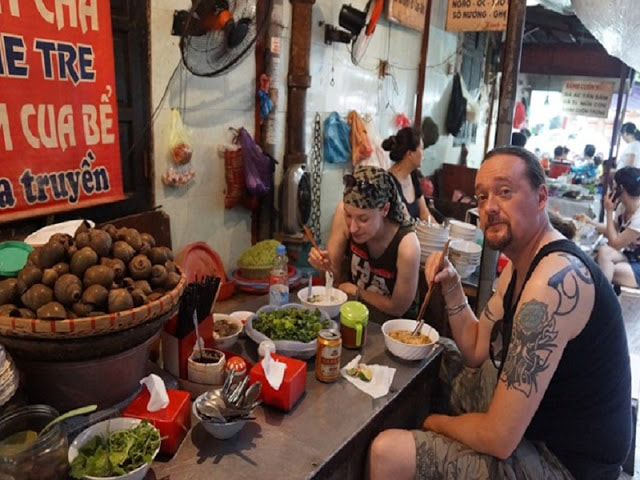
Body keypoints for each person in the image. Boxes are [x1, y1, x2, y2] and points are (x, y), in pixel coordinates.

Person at [368, 146, 631, 480]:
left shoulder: (551, 282)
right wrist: (451, 286)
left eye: (505, 192)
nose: (489, 207)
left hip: (566, 466)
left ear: (541, 198)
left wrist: (436, 424)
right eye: (481, 196)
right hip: (536, 430)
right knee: (441, 357)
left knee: (387, 452)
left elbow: (499, 438)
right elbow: (476, 350)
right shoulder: (524, 262)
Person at [307, 165, 421, 319]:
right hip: (350, 315)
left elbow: (397, 308)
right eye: (349, 215)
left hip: (391, 328)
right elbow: (334, 278)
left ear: (385, 209)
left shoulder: (407, 246)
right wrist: (322, 266)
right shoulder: (343, 212)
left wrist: (358, 292)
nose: (353, 228)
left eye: (363, 219)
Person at [587, 166, 640, 288]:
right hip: (631, 257)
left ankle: (602, 301)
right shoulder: (623, 207)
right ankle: (602, 297)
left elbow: (615, 244)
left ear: (620, 188)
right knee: (602, 255)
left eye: (614, 185)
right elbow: (611, 230)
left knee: (608, 268)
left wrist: (609, 211)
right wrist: (590, 223)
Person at [383, 127, 437, 223]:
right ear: (410, 154)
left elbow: (424, 214)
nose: (423, 154)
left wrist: (441, 232)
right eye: (422, 149)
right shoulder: (388, 182)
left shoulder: (413, 175)